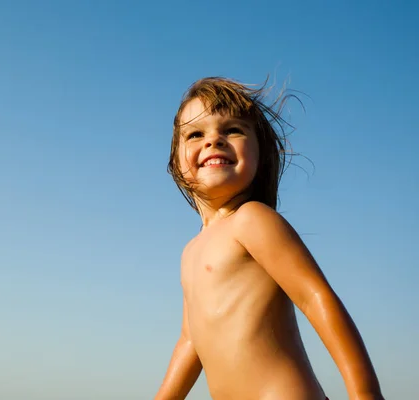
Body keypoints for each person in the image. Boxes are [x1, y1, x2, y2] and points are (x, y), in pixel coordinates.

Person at [153, 77, 384, 400]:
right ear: (176, 163)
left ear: (261, 154)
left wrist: (365, 393)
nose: (213, 141)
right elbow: (191, 340)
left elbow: (315, 298)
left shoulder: (252, 219)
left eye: (232, 130)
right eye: (195, 134)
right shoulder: (190, 251)